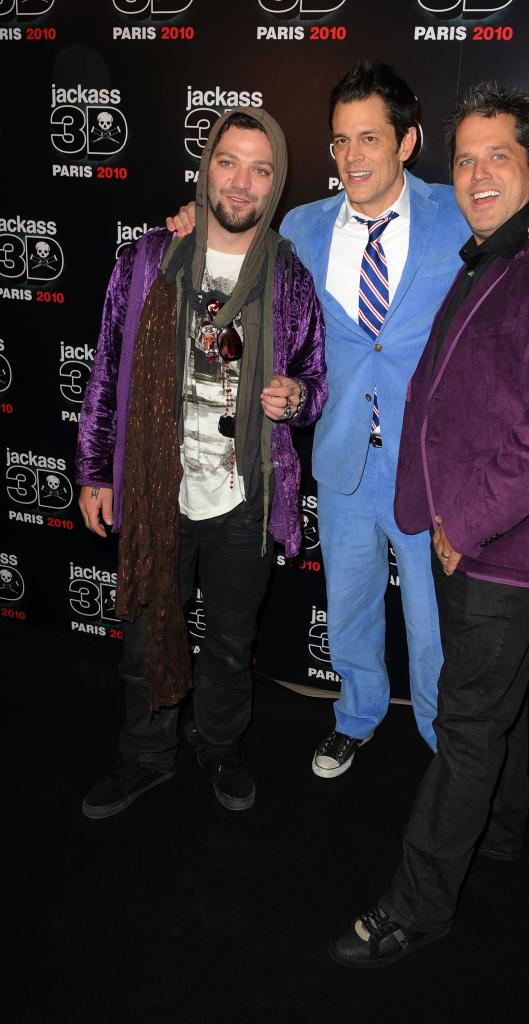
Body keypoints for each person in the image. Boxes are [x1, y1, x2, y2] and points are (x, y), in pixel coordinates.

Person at [168, 62, 529, 779]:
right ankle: (356, 716)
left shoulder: (457, 208)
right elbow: (226, 237)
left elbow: (524, 228)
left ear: (406, 142)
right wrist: (189, 217)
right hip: (340, 459)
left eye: (370, 137)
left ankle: (438, 737)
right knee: (351, 604)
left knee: (433, 624)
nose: (353, 156)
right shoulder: (298, 228)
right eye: (340, 141)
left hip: (430, 466)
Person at [328, 82, 529, 968]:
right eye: (464, 158)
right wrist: (431, 514)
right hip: (462, 534)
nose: (478, 172)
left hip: (506, 547)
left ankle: (416, 907)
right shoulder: (486, 254)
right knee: (492, 711)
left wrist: (464, 523)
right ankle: (499, 832)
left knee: (464, 725)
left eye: (500, 155)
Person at [76, 108, 326, 820]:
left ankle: (218, 744)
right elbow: (105, 371)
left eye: (260, 168)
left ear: (274, 183)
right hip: (156, 486)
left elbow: (315, 376)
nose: (241, 182)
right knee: (146, 633)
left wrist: (299, 395)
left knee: (228, 642)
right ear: (205, 167)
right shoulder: (149, 257)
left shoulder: (289, 276)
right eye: (228, 162)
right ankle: (146, 757)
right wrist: (96, 471)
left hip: (243, 495)